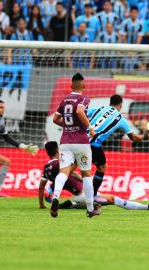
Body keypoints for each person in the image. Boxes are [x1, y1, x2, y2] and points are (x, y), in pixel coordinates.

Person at [39, 141, 149, 211]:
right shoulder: (59, 164)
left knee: (107, 199)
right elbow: (71, 172)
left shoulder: (47, 168)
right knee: (113, 199)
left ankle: (71, 206)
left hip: (80, 196)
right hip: (84, 196)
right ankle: (147, 208)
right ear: (57, 150)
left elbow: (42, 187)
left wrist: (42, 204)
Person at [51, 73, 100, 218]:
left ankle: (55, 197)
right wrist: (90, 129)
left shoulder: (64, 100)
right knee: (86, 174)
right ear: (84, 86)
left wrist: (66, 126)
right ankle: (90, 209)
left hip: (65, 142)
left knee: (63, 172)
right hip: (81, 142)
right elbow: (79, 111)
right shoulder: (83, 98)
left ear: (71, 86)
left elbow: (55, 119)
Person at [87, 94, 148, 196]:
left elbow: (82, 114)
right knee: (101, 168)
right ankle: (92, 196)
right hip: (93, 144)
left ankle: (51, 190)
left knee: (70, 168)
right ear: (121, 105)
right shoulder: (120, 118)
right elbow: (133, 138)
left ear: (110, 103)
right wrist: (145, 136)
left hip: (80, 140)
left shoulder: (100, 109)